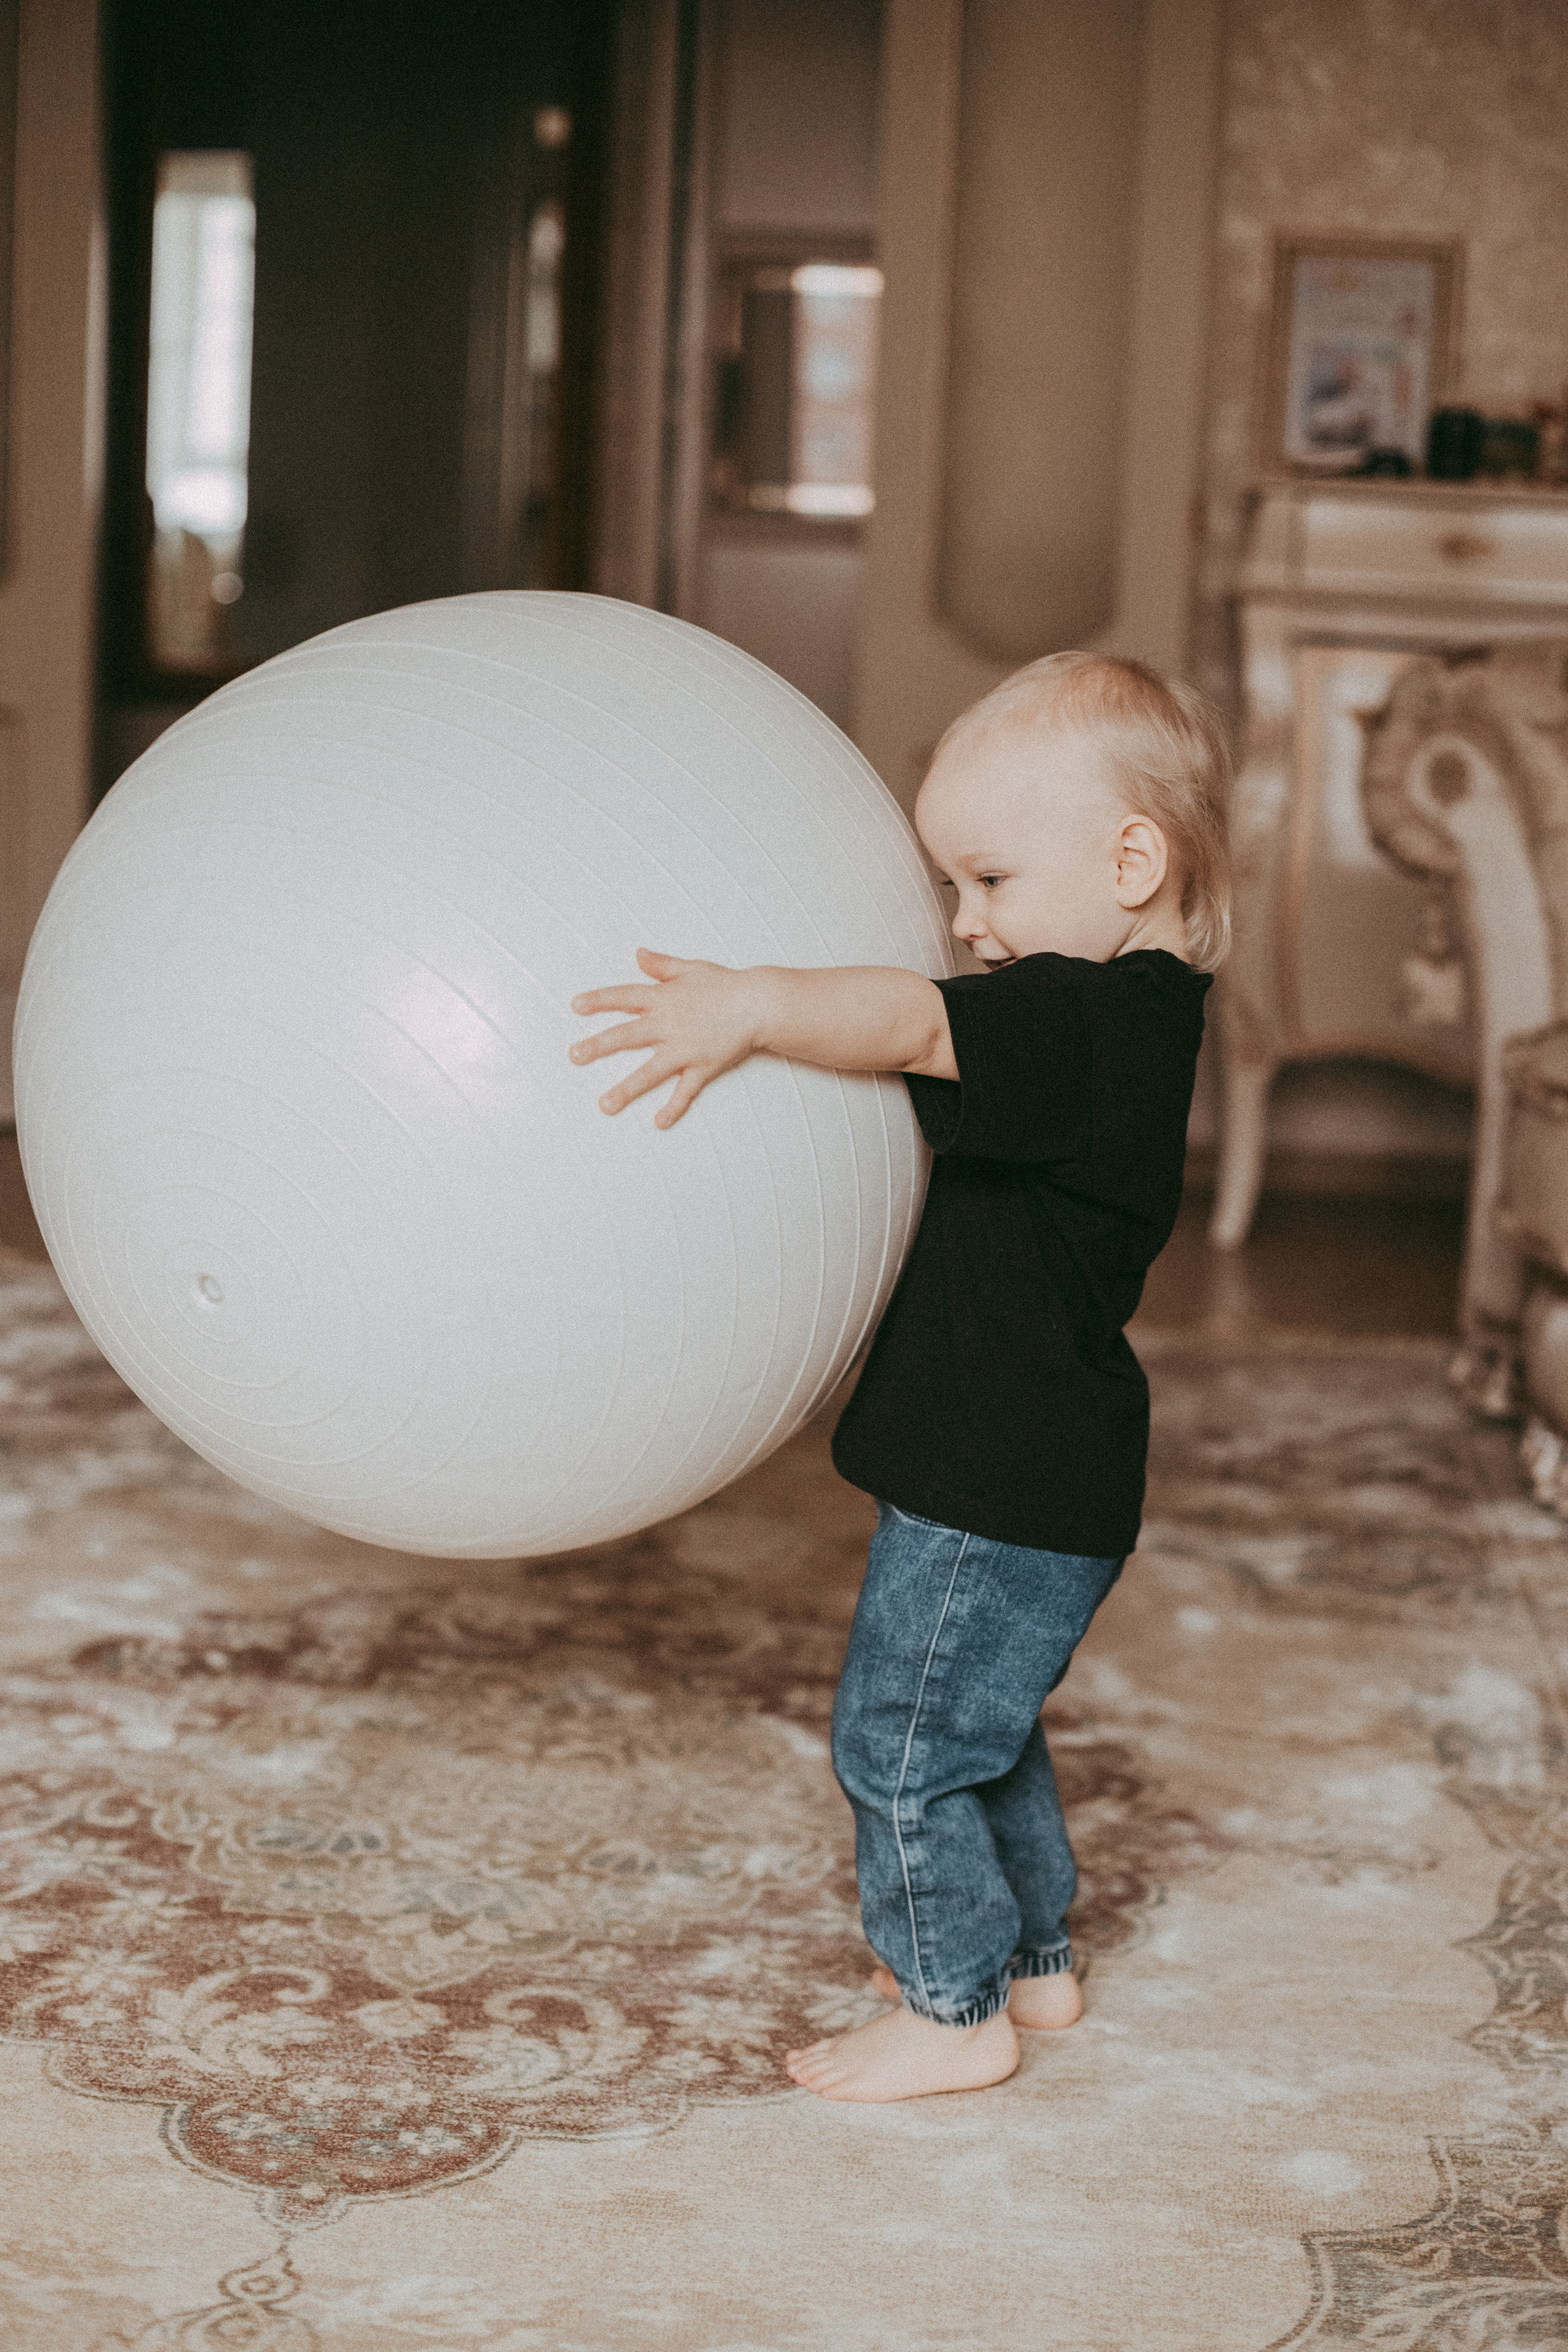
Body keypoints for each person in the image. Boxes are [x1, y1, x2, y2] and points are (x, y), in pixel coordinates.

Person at [568, 650, 1231, 2103]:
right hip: (1039, 1466)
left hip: (993, 1472)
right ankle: (1033, 1960)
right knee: (985, 1730)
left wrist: (749, 1007)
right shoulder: (1135, 1024)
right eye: (951, 891)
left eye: (987, 882)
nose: (963, 924)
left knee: (900, 1742)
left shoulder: (1075, 1019)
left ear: (1131, 861)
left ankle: (949, 2010)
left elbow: (910, 1022)